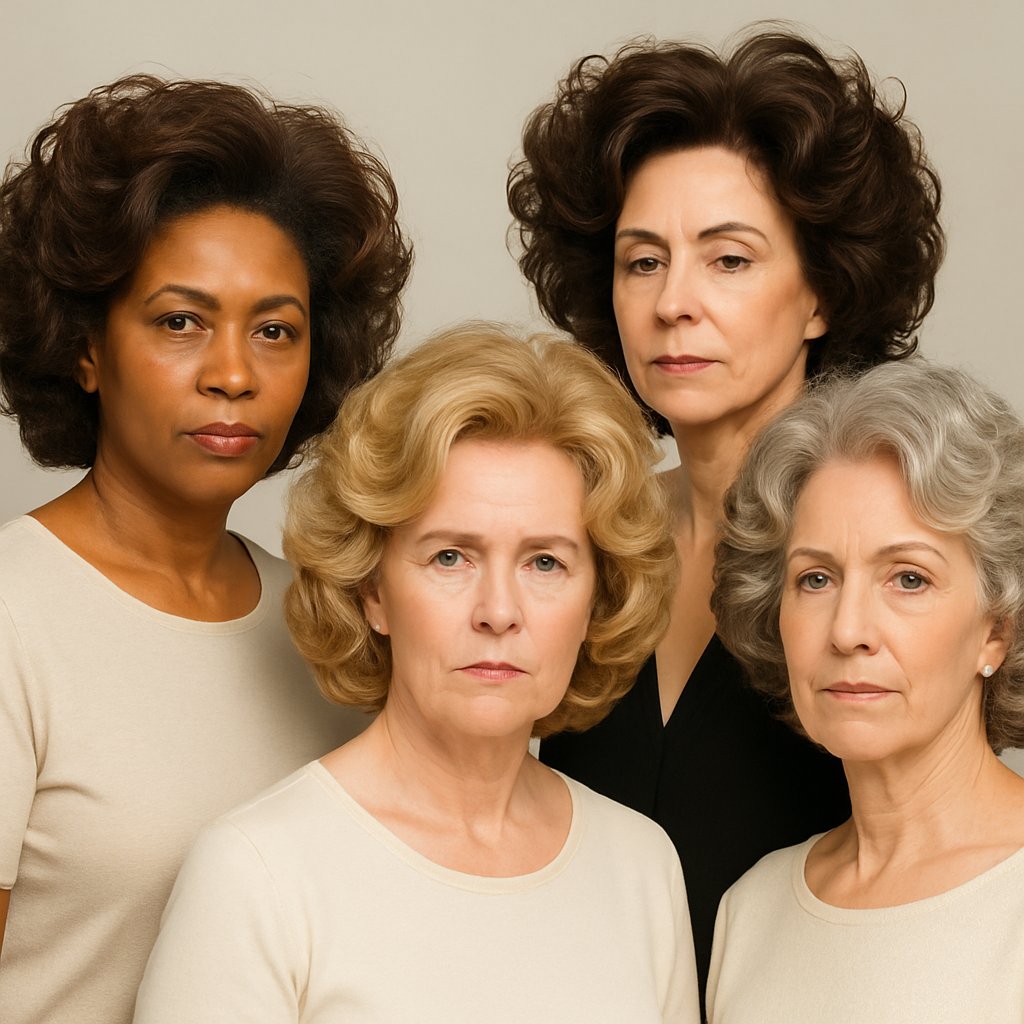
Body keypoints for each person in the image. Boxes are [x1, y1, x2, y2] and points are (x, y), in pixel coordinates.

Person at [507, 27, 944, 1001]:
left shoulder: (895, 549)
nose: (674, 304)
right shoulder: (580, 539)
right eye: (642, 261)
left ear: (820, 293)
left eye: (729, 260)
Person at [132, 325, 700, 1024]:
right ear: (372, 590)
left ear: (597, 599)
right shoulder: (258, 873)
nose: (499, 611)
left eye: (544, 562)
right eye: (450, 557)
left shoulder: (639, 865)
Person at [0, 75, 411, 1024]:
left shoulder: (328, 623)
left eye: (275, 330)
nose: (232, 374)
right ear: (86, 345)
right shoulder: (17, 618)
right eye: (180, 321)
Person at [707, 359, 1024, 1022]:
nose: (849, 631)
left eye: (907, 579)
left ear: (996, 629)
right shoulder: (753, 911)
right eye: (815, 579)